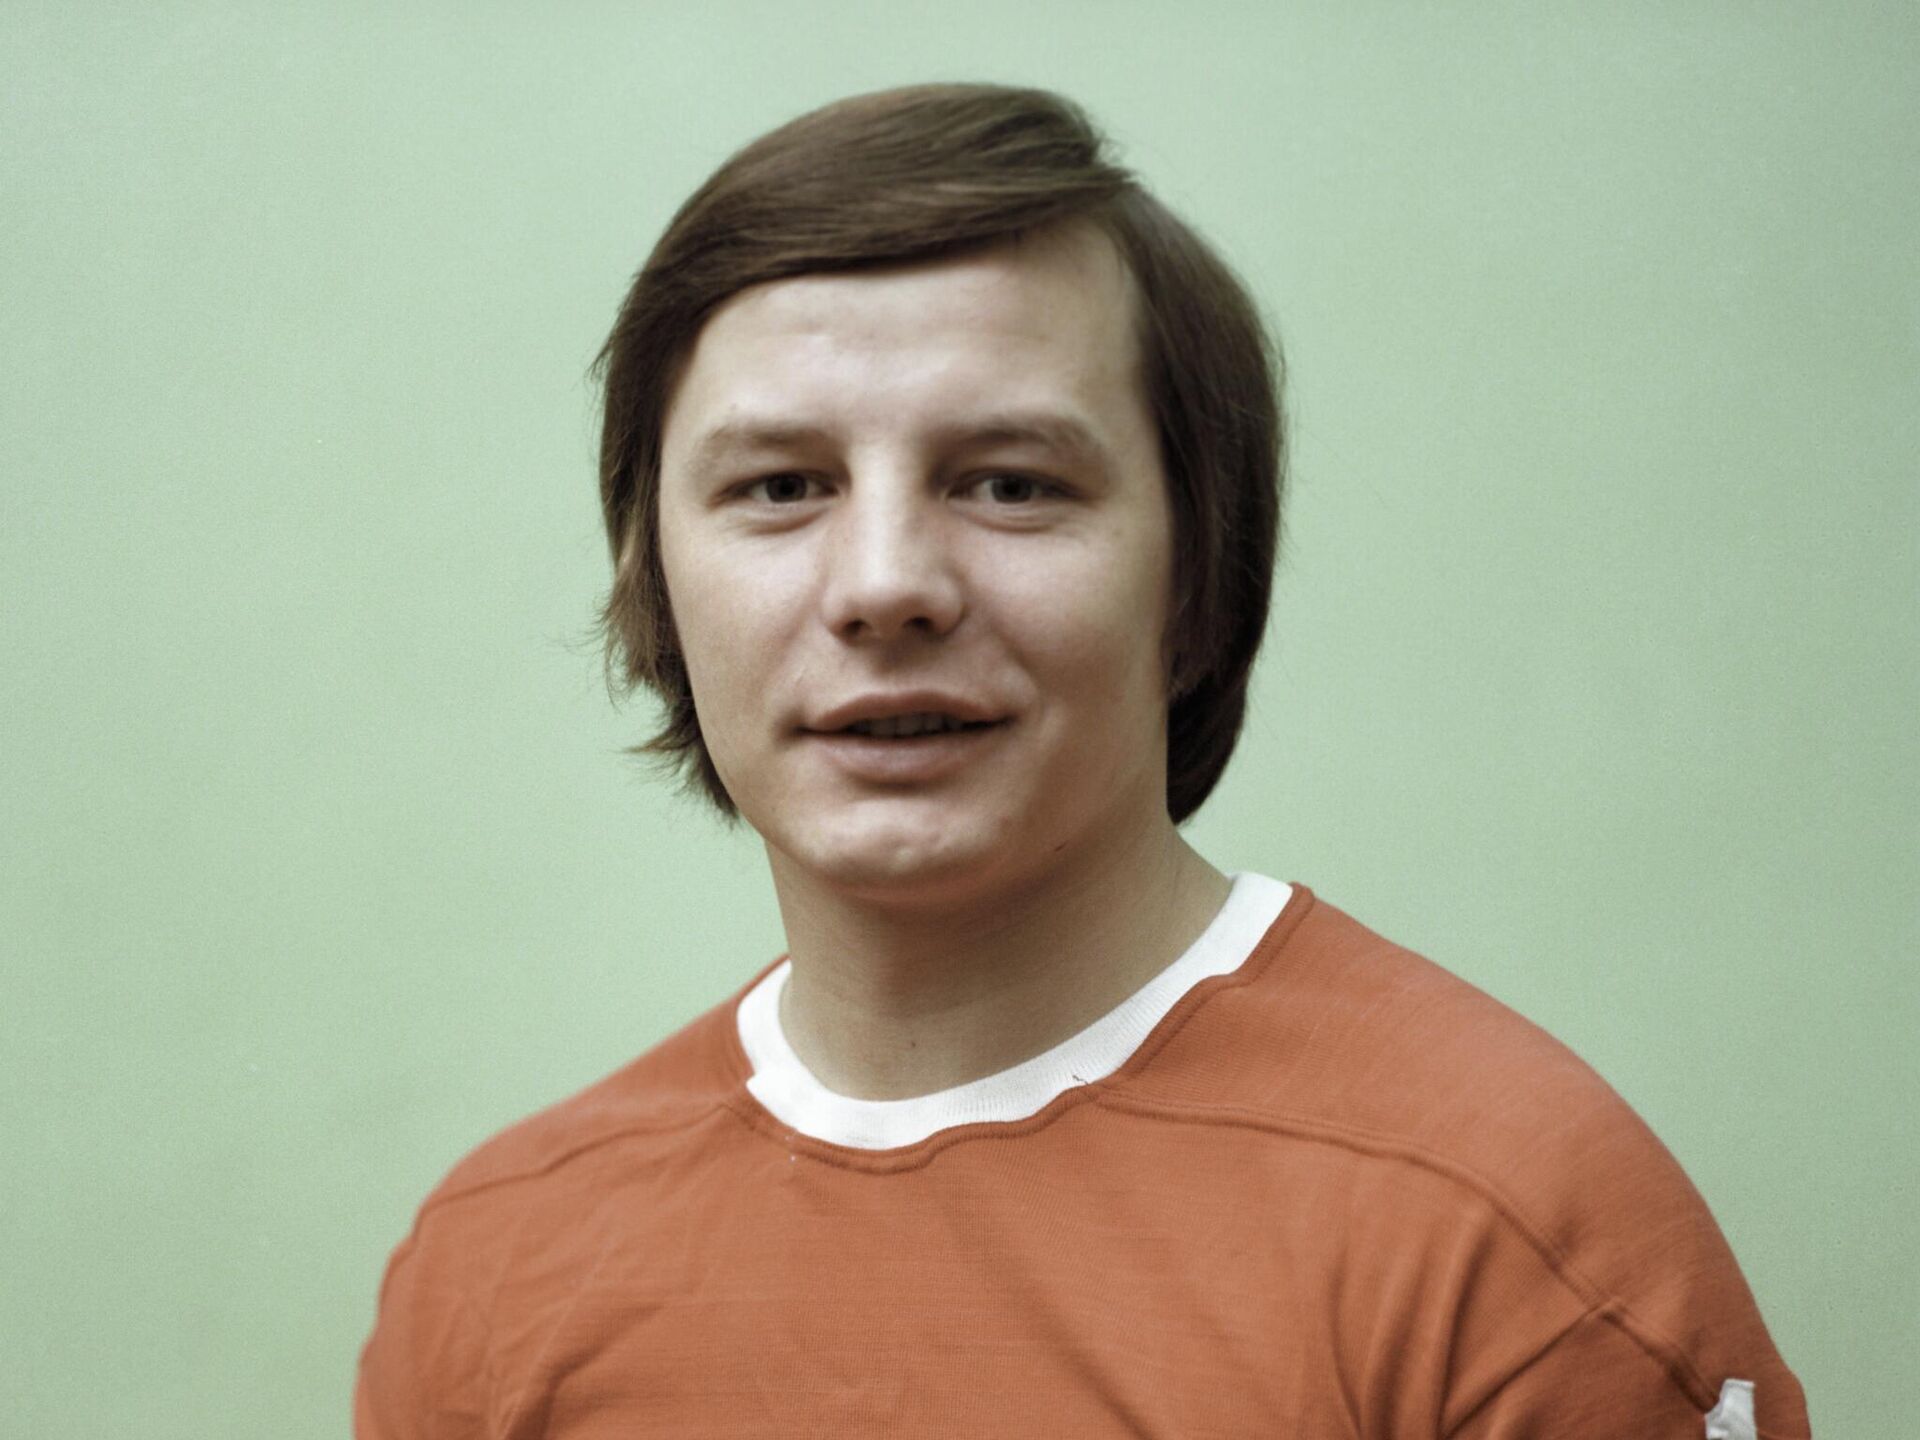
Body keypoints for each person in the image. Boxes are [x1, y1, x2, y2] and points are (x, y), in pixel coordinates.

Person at [355, 83, 1809, 1437]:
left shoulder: (1513, 1237)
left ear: (1197, 580)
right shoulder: (494, 1273)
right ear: (654, 584)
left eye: (1010, 483)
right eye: (782, 486)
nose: (885, 584)